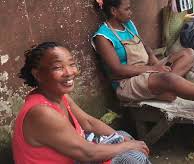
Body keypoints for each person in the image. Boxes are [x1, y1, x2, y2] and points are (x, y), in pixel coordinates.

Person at [92, 0, 194, 106]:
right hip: (127, 83)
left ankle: (165, 89)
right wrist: (155, 70)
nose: (130, 12)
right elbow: (117, 70)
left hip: (147, 69)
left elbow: (144, 46)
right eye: (127, 9)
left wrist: (154, 61)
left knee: (189, 53)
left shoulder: (128, 25)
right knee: (169, 78)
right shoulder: (103, 37)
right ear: (113, 11)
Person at [12, 42, 151, 164]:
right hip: (83, 156)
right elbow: (87, 154)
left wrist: (122, 140)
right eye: (58, 67)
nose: (69, 72)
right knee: (132, 158)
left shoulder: (59, 95)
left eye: (71, 64)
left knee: (123, 136)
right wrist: (127, 146)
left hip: (78, 156)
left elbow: (87, 122)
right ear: (37, 75)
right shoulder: (42, 112)